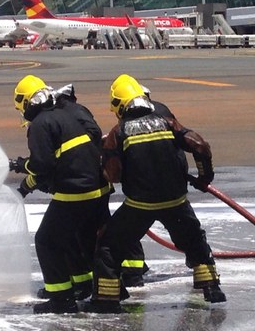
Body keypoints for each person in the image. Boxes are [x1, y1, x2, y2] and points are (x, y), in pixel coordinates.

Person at [88, 74, 226, 312]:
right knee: (194, 240)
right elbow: (200, 146)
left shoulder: (118, 132)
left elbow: (114, 176)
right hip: (176, 200)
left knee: (109, 247)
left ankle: (106, 301)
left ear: (121, 105)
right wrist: (205, 177)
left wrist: (108, 159)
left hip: (140, 205)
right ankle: (211, 288)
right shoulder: (166, 118)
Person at [12, 74, 109, 314]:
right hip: (95, 189)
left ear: (27, 103)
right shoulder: (64, 114)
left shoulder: (40, 125)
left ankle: (61, 298)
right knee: (72, 238)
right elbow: (56, 162)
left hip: (75, 192)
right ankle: (84, 285)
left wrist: (23, 165)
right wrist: (27, 183)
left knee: (46, 241)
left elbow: (42, 165)